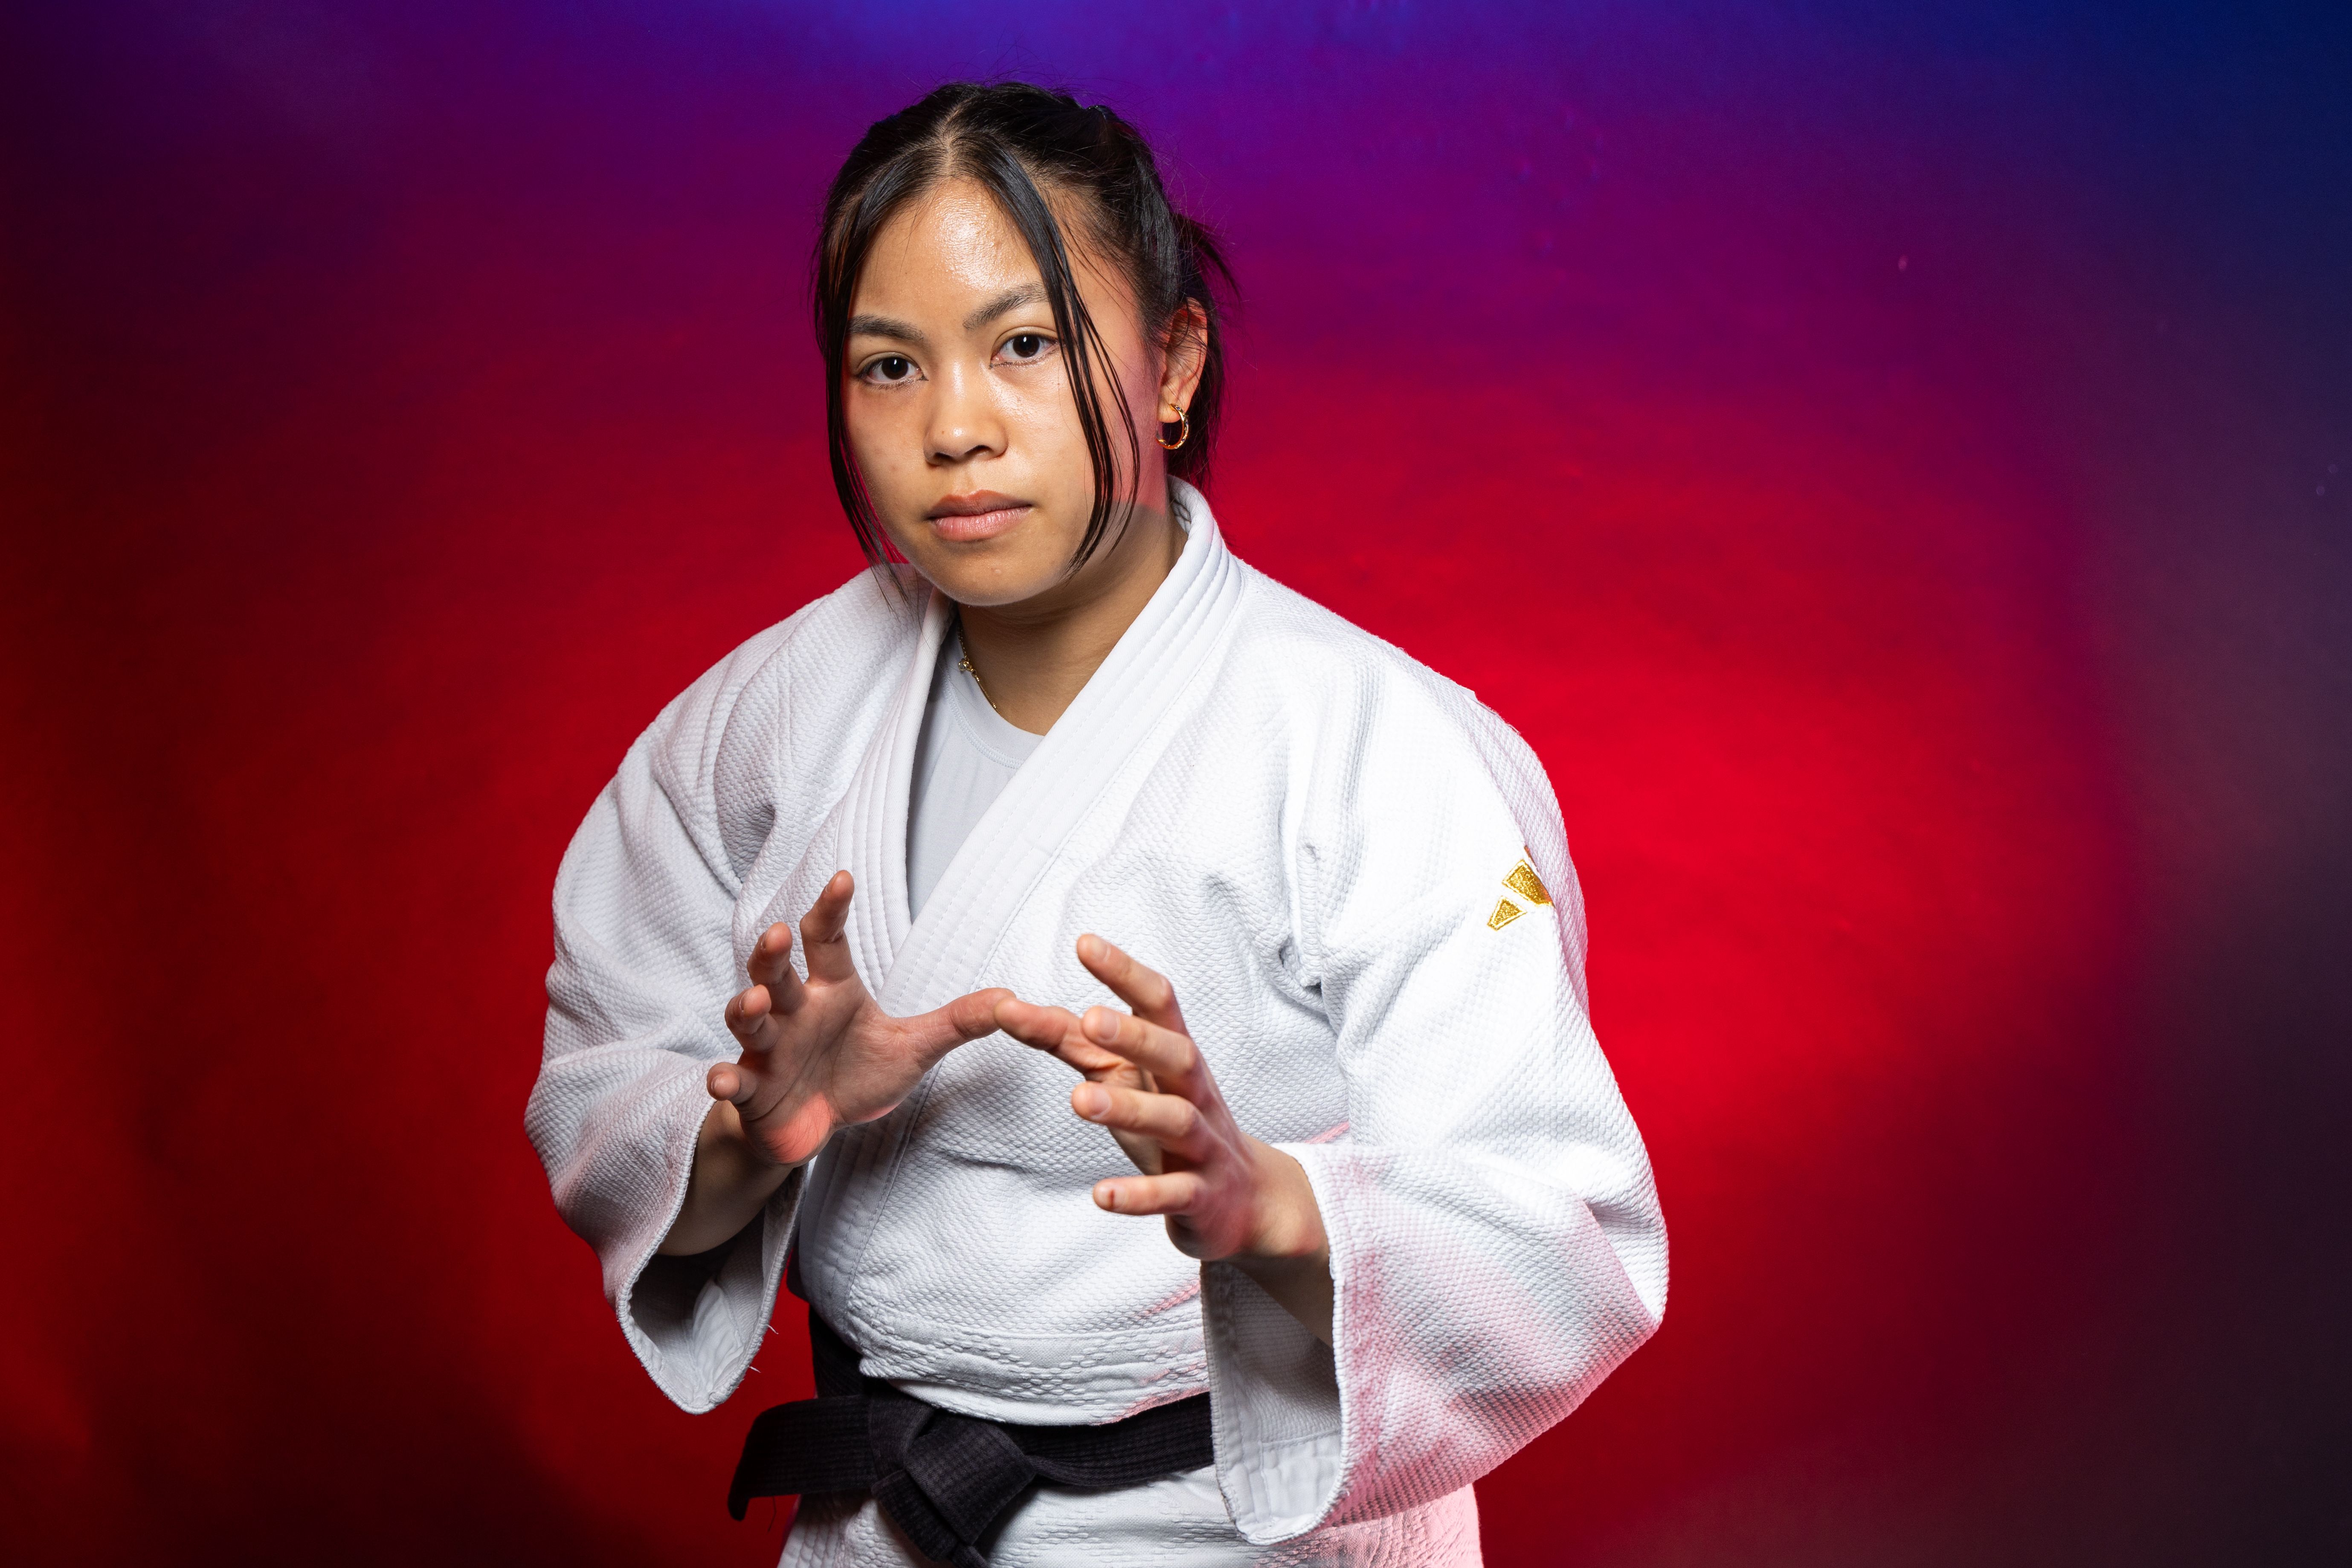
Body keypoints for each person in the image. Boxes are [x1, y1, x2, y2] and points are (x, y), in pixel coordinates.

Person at [526, 81, 1666, 1568]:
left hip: (1236, 1525)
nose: (954, 429)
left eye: (1024, 345)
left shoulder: (1376, 745)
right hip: (878, 1521)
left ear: (1172, 361)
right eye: (888, 365)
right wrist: (752, 1132)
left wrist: (1279, 1206)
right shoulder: (771, 716)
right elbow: (603, 1082)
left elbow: (1557, 1224)